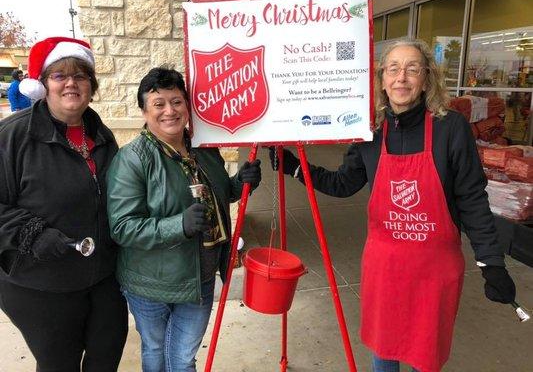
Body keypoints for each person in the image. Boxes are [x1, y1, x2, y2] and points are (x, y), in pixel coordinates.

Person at [270, 39, 517, 372]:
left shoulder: (450, 128)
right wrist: (294, 166)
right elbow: (343, 184)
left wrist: (490, 262)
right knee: (384, 351)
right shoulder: (370, 131)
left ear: (427, 79)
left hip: (435, 270)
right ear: (381, 79)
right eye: (394, 68)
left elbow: (471, 198)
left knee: (425, 354)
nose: (402, 77)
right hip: (385, 269)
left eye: (413, 68)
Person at [106, 67, 262, 372]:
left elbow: (212, 197)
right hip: (150, 283)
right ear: (144, 111)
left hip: (199, 278)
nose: (169, 111)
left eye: (176, 102)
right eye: (159, 103)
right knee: (155, 350)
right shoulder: (133, 159)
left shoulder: (203, 148)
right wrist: (178, 225)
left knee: (181, 358)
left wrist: (239, 183)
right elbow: (123, 227)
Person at [0, 37, 128, 371]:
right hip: (40, 284)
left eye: (81, 76)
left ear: (91, 85)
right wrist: (33, 233)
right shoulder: (12, 137)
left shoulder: (101, 136)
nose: (71, 83)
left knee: (107, 353)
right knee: (60, 364)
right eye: (60, 75)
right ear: (42, 85)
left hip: (101, 276)